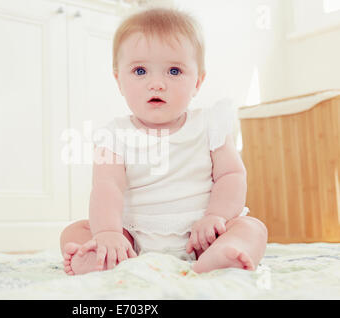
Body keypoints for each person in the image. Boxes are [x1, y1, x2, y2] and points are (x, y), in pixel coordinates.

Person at [60, 7, 267, 275]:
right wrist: (109, 232)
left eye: (173, 71)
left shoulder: (209, 125)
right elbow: (106, 187)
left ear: (198, 82)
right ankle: (106, 259)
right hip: (133, 237)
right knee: (76, 232)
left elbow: (231, 175)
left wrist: (216, 216)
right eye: (140, 71)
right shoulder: (113, 135)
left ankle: (219, 257)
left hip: (202, 235)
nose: (156, 83)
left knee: (252, 228)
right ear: (118, 80)